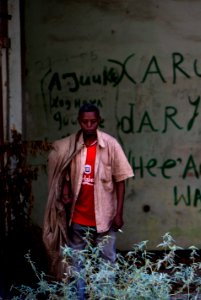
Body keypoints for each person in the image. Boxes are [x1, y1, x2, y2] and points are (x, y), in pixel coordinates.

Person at [43, 104, 134, 295]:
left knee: (107, 261)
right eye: (85, 122)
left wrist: (119, 213)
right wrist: (66, 190)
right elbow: (64, 174)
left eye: (93, 121)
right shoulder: (71, 147)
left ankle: (103, 296)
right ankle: (79, 296)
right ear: (79, 122)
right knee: (76, 264)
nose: (89, 125)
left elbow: (121, 181)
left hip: (105, 217)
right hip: (78, 218)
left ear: (99, 121)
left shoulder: (110, 144)